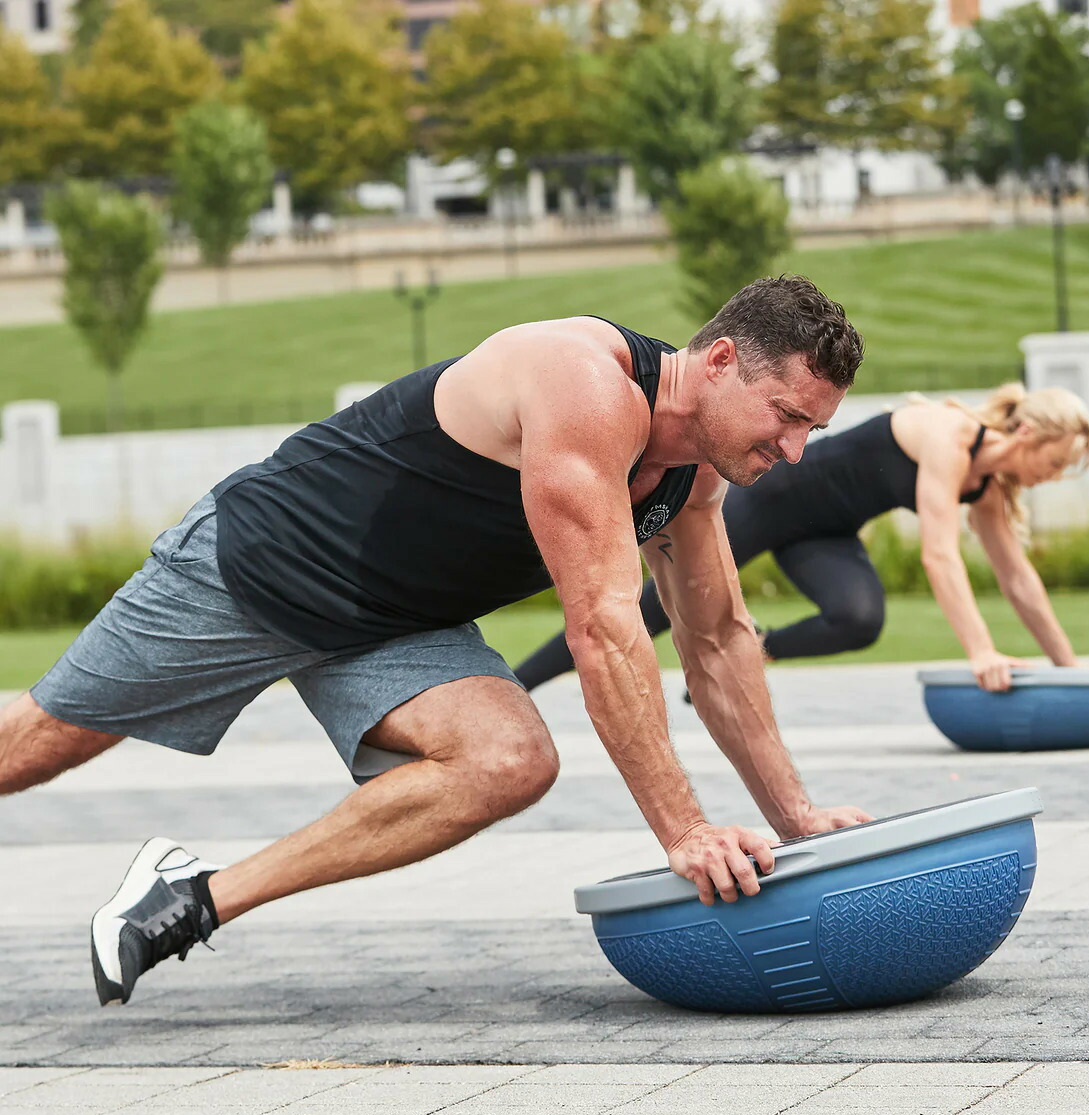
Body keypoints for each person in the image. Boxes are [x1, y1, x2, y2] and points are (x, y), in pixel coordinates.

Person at [0, 276, 873, 1007]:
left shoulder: (691, 479)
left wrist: (795, 821)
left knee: (509, 759)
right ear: (719, 362)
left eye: (814, 431)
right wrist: (683, 830)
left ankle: (186, 903)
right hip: (260, 567)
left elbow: (717, 639)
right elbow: (606, 628)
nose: (796, 451)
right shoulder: (586, 382)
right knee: (33, 749)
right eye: (786, 415)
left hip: (393, 626)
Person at [515, 383, 1089, 695]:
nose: (1056, 475)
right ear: (1026, 432)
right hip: (771, 500)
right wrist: (982, 652)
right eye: (1057, 459)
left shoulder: (987, 486)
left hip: (825, 532)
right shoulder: (951, 436)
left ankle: (740, 664)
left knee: (857, 618)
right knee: (648, 612)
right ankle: (520, 686)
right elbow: (939, 555)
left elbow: (1016, 577)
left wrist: (1071, 672)